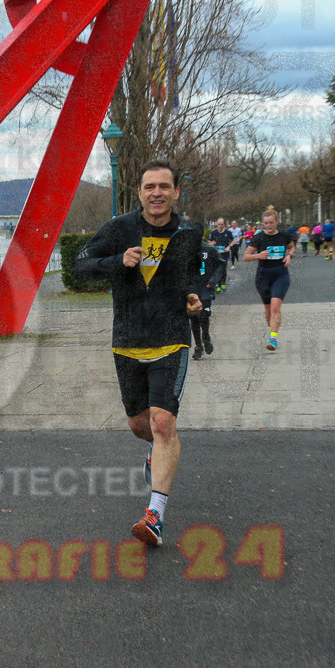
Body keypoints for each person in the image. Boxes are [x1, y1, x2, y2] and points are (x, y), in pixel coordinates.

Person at [73, 159, 203, 547]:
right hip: (128, 339)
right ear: (140, 192)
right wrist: (118, 262)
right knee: (139, 425)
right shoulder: (119, 228)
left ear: (176, 192)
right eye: (150, 187)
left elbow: (196, 276)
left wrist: (198, 298)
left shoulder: (189, 232)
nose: (157, 193)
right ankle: (153, 449)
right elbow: (80, 266)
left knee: (164, 422)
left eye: (165, 186)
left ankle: (155, 515)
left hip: (172, 337)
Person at [244, 209, 295, 351]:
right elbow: (246, 256)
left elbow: (291, 248)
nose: (269, 226)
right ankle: (272, 329)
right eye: (266, 223)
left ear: (277, 222)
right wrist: (258, 256)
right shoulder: (258, 238)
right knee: (268, 310)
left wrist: (289, 256)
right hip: (263, 276)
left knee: (275, 307)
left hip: (281, 275)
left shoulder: (284, 235)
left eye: (271, 223)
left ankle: (273, 339)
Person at [191, 232, 223, 360]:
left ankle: (206, 337)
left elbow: (221, 265)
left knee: (203, 315)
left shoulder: (210, 250)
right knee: (193, 317)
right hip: (192, 288)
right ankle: (198, 346)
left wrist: (214, 280)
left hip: (206, 286)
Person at [208, 218, 233, 292]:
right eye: (218, 224)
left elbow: (233, 241)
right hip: (216, 254)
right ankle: (218, 285)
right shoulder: (214, 233)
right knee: (217, 269)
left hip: (224, 253)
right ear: (217, 224)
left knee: (223, 269)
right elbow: (209, 241)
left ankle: (223, 283)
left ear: (224, 224)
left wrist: (229, 246)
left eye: (221, 224)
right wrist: (211, 243)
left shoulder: (228, 232)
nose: (220, 226)